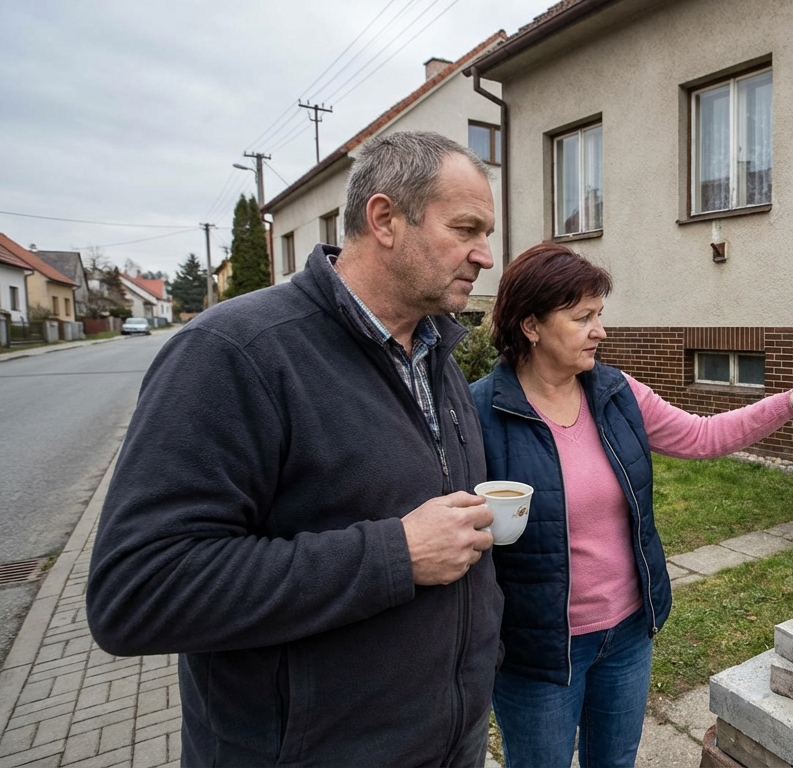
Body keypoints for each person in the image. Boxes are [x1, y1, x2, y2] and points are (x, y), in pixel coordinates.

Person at [87, 131, 503, 766]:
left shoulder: (436, 352)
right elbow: (138, 592)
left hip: (450, 741)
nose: (486, 255)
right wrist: (393, 553)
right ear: (385, 219)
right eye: (467, 228)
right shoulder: (233, 353)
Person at [469, 243, 793, 768]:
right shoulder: (478, 411)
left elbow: (702, 436)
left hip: (627, 633)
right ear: (531, 325)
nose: (600, 330)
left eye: (599, 314)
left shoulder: (615, 392)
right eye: (583, 317)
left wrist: (787, 402)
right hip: (536, 649)